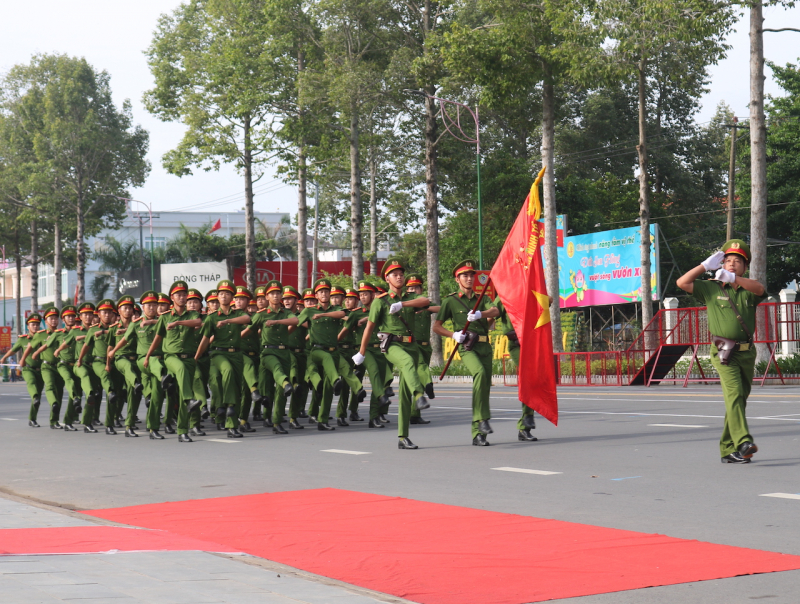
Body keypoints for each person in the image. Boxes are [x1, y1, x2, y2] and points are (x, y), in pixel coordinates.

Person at [677, 239, 767, 464]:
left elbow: (760, 289)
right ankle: (744, 442)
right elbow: (682, 282)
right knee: (735, 395)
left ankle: (728, 450)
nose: (732, 264)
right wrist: (704, 266)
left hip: (747, 352)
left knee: (738, 399)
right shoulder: (711, 288)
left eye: (738, 261)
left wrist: (735, 280)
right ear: (722, 264)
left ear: (744, 267)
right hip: (723, 352)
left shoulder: (747, 289)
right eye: (728, 261)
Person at [354, 258, 431, 449]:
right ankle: (420, 395)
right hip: (392, 346)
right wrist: (361, 352)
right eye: (395, 275)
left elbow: (426, 301)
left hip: (411, 346)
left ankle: (403, 437)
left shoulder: (408, 299)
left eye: (401, 274)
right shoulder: (380, 302)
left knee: (404, 393)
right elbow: (369, 328)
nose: (399, 277)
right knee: (407, 363)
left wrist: (403, 305)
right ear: (387, 278)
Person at [433, 259, 500, 446]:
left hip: (485, 347)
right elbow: (436, 327)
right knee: (478, 373)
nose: (469, 278)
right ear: (457, 279)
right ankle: (482, 418)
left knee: (484, 387)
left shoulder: (482, 298)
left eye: (471, 275)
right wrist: (453, 334)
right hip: (467, 347)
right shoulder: (451, 301)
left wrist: (481, 314)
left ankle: (479, 435)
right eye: (465, 276)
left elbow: (495, 310)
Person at [296, 278, 364, 431]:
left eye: (327, 291)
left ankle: (323, 420)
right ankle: (336, 382)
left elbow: (345, 315)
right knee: (328, 369)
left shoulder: (337, 311)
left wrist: (323, 316)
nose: (324, 294)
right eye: (321, 292)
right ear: (316, 295)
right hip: (317, 351)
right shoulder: (309, 310)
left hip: (334, 351)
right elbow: (296, 323)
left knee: (333, 384)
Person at [145, 281, 203, 443]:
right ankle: (155, 426)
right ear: (172, 297)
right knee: (180, 377)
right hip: (171, 357)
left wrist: (178, 323)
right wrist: (148, 356)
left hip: (189, 358)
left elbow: (198, 323)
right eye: (179, 295)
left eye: (184, 295)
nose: (182, 297)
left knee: (181, 393)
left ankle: (182, 431)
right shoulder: (165, 317)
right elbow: (158, 338)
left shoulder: (192, 314)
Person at [195, 279, 250, 438]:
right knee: (228, 370)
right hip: (218, 354)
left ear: (232, 297)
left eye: (227, 294)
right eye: (221, 294)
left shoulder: (238, 313)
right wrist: (196, 357)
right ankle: (227, 404)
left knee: (236, 387)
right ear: (217, 297)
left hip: (237, 354)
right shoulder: (211, 318)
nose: (224, 296)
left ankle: (232, 425)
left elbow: (247, 320)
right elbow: (205, 339)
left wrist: (227, 321)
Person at [246, 280, 296, 434]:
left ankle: (276, 422)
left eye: (278, 293)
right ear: (267, 297)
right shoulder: (260, 315)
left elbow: (295, 320)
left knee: (280, 393)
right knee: (276, 371)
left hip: (284, 352)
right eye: (272, 293)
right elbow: (249, 329)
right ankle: (287, 383)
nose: (275, 295)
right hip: (268, 352)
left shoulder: (285, 312)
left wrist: (276, 321)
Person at [341, 281, 391, 428]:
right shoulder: (356, 313)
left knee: (379, 380)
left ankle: (374, 417)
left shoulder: (381, 310)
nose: (363, 297)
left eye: (366, 294)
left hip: (381, 348)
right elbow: (344, 331)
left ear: (373, 295)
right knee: (374, 370)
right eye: (361, 294)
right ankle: (379, 397)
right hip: (364, 350)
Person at [492, 298, 537, 442]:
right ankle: (526, 421)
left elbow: (548, 300)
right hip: (516, 343)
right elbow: (494, 312)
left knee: (535, 380)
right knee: (528, 376)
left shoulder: (529, 289)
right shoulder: (504, 293)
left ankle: (525, 424)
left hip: (532, 341)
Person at [22, 308, 66, 429]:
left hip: (60, 367)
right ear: (46, 321)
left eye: (55, 318)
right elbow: (30, 347)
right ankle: (33, 417)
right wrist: (23, 359)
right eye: (51, 318)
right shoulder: (40, 335)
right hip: (46, 366)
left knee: (59, 393)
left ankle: (54, 421)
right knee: (46, 389)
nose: (54, 321)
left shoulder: (62, 333)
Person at [106, 295, 144, 437]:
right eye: (125, 308)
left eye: (130, 308)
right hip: (119, 360)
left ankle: (129, 425)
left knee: (133, 394)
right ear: (119, 310)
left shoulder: (138, 326)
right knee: (114, 394)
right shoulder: (113, 328)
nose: (128, 311)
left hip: (135, 360)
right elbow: (109, 348)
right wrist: (107, 364)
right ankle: (109, 423)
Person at [404, 274, 438, 424]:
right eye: (410, 288)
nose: (413, 290)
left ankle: (414, 414)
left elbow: (440, 307)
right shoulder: (405, 304)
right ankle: (429, 384)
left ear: (421, 289)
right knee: (422, 368)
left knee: (418, 380)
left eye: (416, 287)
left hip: (426, 345)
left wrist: (425, 307)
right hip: (413, 344)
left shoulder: (425, 304)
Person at [1, 314, 44, 427]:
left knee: (38, 397)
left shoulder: (43, 337)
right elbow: (13, 350)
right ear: (28, 326)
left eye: (37, 324)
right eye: (33, 324)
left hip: (42, 370)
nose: (35, 327)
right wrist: (4, 357)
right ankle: (34, 396)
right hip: (28, 368)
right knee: (31, 383)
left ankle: (32, 419)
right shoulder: (23, 339)